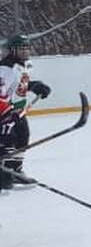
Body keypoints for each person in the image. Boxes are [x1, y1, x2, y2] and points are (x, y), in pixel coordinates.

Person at [0, 34, 50, 190]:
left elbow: (18, 86)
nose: (25, 52)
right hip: (5, 113)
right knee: (6, 142)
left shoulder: (22, 66)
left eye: (27, 49)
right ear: (11, 51)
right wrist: (7, 114)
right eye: (21, 49)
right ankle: (4, 173)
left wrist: (34, 86)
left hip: (17, 111)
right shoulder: (5, 70)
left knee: (22, 137)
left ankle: (14, 171)